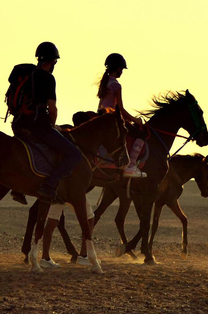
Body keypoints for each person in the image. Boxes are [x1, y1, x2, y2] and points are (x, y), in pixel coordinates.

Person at [13, 42, 83, 202]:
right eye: (55, 62)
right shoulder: (48, 78)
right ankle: (49, 186)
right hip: (38, 127)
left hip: (18, 123)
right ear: (52, 61)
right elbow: (52, 109)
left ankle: (18, 189)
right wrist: (52, 126)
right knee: (74, 154)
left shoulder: (28, 74)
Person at [97, 53, 147, 178]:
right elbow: (121, 110)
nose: (122, 72)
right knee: (141, 134)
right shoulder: (116, 85)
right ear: (118, 69)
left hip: (102, 117)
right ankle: (131, 166)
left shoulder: (104, 83)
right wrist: (136, 120)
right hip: (113, 119)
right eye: (122, 69)